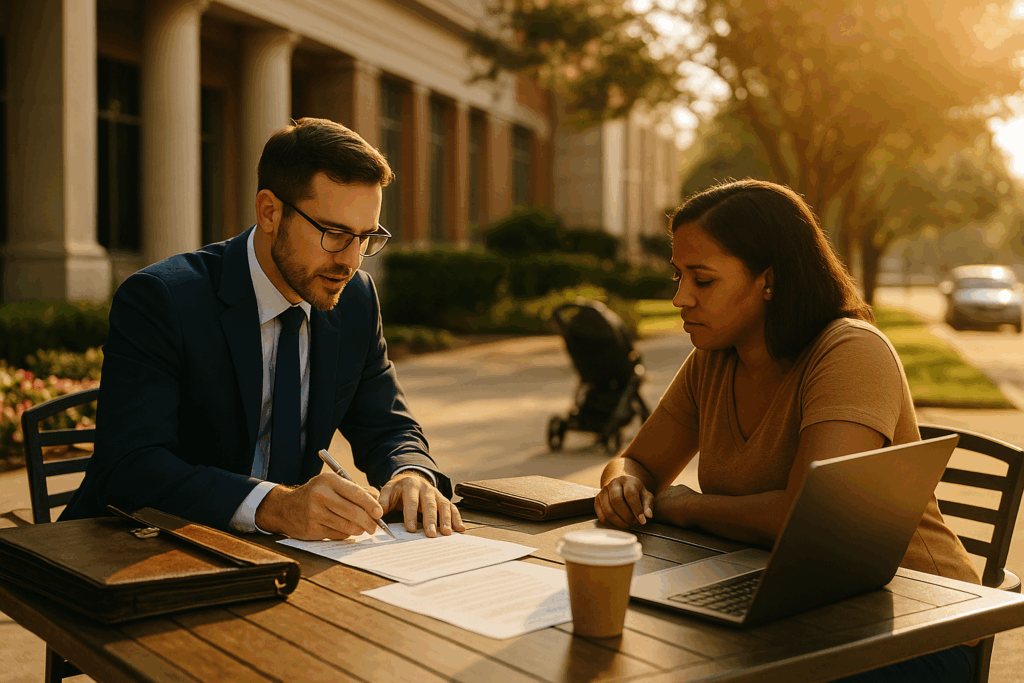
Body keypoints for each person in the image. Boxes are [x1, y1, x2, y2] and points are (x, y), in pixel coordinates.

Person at [595, 179, 980, 682]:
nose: (680, 298)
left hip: (913, 622)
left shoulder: (850, 352)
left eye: (702, 279)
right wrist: (621, 484)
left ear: (768, 280)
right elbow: (637, 461)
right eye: (677, 275)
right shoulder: (712, 360)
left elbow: (811, 517)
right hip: (784, 602)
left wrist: (685, 506)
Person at [63, 118, 465, 541]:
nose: (351, 261)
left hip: (281, 555)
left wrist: (410, 472)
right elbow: (132, 467)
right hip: (136, 545)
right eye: (334, 233)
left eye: (365, 237)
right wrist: (274, 506)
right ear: (270, 211)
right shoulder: (163, 300)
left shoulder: (356, 299)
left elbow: (388, 425)